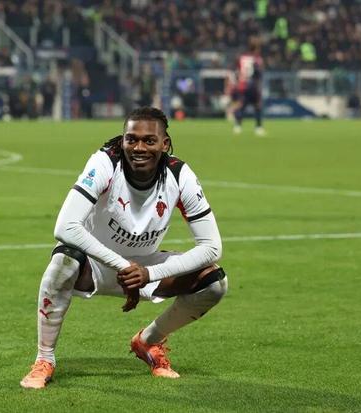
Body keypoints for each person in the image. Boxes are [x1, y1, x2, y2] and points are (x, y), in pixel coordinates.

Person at [20, 107, 228, 389]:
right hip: (94, 265)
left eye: (149, 140)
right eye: (131, 139)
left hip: (147, 268)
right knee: (63, 260)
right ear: (123, 140)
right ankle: (44, 359)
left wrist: (149, 273)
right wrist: (125, 267)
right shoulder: (105, 163)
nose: (139, 148)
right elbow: (65, 227)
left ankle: (148, 341)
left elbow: (212, 247)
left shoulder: (180, 175)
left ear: (164, 143)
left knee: (214, 283)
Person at [230, 39, 265, 136]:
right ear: (256, 49)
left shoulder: (241, 58)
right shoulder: (257, 59)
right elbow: (258, 74)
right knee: (257, 106)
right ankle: (258, 128)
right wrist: (259, 87)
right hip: (253, 85)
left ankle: (237, 126)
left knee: (241, 106)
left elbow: (236, 71)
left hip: (242, 85)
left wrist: (237, 82)